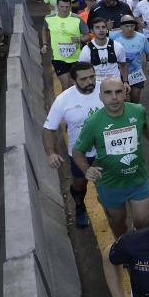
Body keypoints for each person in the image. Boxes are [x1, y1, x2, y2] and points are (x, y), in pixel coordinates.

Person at [73, 78, 149, 237]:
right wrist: (86, 170)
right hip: (110, 185)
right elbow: (78, 151)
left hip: (138, 180)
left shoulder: (138, 110)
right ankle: (124, 246)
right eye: (108, 93)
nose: (114, 97)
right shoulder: (93, 122)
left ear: (125, 92)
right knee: (118, 223)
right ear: (100, 96)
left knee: (143, 222)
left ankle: (138, 246)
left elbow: (147, 127)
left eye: (118, 92)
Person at [42, 62, 103, 229]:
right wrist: (51, 153)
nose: (89, 81)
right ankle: (79, 205)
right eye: (83, 79)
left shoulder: (105, 89)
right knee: (80, 183)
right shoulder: (63, 100)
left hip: (107, 150)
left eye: (92, 76)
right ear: (73, 79)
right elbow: (48, 128)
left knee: (112, 181)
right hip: (80, 153)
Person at [41, 0, 91, 90]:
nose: (64, 9)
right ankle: (68, 105)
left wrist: (79, 39)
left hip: (76, 57)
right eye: (62, 7)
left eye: (67, 7)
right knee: (65, 85)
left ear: (71, 6)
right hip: (58, 58)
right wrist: (44, 44)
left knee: (76, 85)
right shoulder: (49, 18)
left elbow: (88, 36)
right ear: (57, 6)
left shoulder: (77, 19)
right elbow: (44, 29)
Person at [110, 16, 149, 103]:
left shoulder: (142, 37)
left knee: (135, 98)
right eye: (126, 26)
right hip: (119, 74)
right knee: (122, 100)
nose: (129, 29)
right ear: (121, 27)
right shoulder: (113, 38)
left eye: (132, 26)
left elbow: (148, 52)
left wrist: (147, 63)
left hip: (136, 73)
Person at [78, 17, 128, 83]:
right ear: (92, 31)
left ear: (107, 29)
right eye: (97, 27)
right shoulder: (86, 50)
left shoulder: (118, 46)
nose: (101, 30)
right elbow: (82, 71)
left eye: (103, 27)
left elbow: (123, 65)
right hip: (96, 86)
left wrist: (125, 82)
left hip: (115, 84)